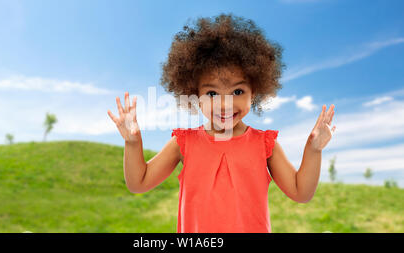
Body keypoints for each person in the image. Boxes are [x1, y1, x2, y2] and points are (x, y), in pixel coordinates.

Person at [107, 13, 336, 233]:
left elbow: (301, 192)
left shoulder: (265, 144)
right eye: (212, 94)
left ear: (254, 92)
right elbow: (139, 183)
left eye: (237, 91)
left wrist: (313, 149)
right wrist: (133, 142)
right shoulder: (183, 142)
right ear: (194, 95)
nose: (225, 105)